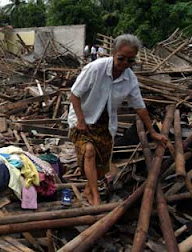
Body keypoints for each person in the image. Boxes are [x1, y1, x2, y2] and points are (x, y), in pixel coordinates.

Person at [68, 34, 167, 205]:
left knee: (101, 165)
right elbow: (75, 94)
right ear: (113, 53)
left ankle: (88, 190)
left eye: (130, 60)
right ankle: (96, 198)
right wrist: (81, 120)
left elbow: (139, 107)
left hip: (105, 124)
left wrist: (152, 132)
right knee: (89, 151)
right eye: (121, 58)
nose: (124, 64)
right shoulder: (95, 68)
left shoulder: (130, 79)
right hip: (82, 119)